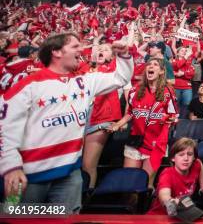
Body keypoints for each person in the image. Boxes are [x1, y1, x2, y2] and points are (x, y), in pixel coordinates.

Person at [0, 32, 133, 213]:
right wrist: (10, 167)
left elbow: (120, 78)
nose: (82, 49)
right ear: (56, 51)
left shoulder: (83, 82)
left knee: (66, 219)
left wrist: (125, 55)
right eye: (75, 46)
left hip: (70, 175)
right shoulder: (28, 86)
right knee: (18, 218)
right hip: (27, 176)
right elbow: (5, 127)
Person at [109, 57, 177, 187]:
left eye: (155, 65)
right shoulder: (135, 90)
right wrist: (118, 124)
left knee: (146, 184)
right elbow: (130, 112)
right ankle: (130, 207)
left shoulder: (168, 92)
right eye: (149, 64)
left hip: (155, 144)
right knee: (128, 184)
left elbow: (174, 116)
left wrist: (168, 119)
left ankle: (146, 207)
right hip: (135, 141)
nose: (150, 67)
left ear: (162, 71)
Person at [82, 42, 124, 188]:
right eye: (99, 49)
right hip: (78, 118)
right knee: (76, 165)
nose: (101, 51)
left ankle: (86, 200)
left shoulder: (113, 69)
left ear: (112, 56)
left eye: (105, 50)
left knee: (88, 165)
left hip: (100, 118)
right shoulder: (84, 69)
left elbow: (123, 61)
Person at [148, 138, 203, 215]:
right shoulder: (167, 174)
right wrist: (170, 202)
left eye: (190, 154)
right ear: (173, 158)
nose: (186, 158)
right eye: (181, 155)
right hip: (160, 216)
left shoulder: (197, 164)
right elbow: (164, 195)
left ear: (194, 157)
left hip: (183, 214)